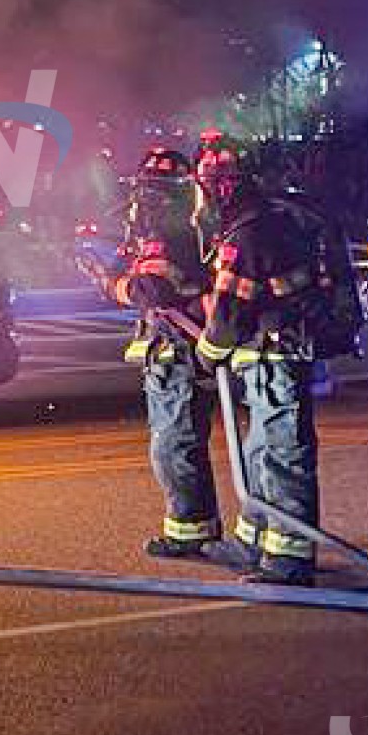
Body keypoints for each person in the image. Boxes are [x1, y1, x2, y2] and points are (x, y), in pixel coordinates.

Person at [190, 140, 334, 588]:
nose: (199, 201)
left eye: (203, 189)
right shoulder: (252, 223)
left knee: (283, 456)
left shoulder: (249, 233)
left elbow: (231, 313)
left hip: (280, 358)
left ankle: (290, 560)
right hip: (267, 361)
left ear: (221, 189)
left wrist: (205, 356)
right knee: (257, 454)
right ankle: (254, 544)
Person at [109, 146, 238, 566]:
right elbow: (131, 277)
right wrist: (115, 280)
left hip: (181, 347)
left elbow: (159, 289)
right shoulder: (150, 229)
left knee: (176, 443)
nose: (148, 194)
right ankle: (192, 526)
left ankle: (191, 530)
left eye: (158, 185)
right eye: (148, 182)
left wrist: (126, 287)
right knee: (174, 443)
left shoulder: (182, 231)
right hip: (167, 347)